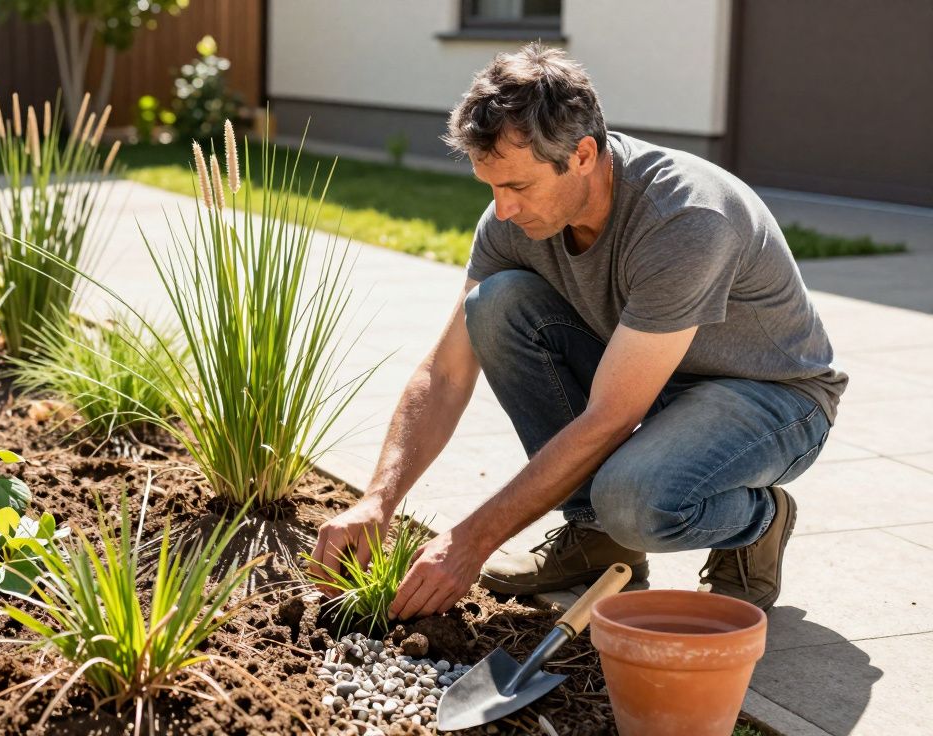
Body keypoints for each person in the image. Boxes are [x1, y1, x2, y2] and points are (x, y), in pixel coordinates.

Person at [309, 43, 846, 619]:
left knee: (633, 499)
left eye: (518, 186)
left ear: (584, 154)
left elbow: (610, 416)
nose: (503, 210)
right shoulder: (510, 224)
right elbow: (445, 372)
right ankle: (597, 541)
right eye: (490, 187)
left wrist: (469, 542)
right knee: (495, 304)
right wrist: (376, 501)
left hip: (770, 398)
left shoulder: (685, 218)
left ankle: (758, 522)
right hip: (651, 379)